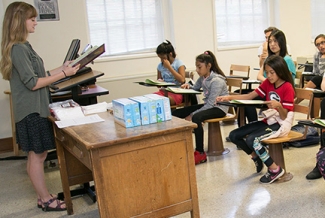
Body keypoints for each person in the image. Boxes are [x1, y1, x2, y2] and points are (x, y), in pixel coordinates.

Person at [0, 2, 80, 212]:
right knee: (38, 155)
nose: (36, 22)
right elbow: (33, 83)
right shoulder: (17, 48)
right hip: (31, 110)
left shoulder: (24, 46)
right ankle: (45, 199)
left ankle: (40, 196)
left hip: (34, 107)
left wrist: (61, 68)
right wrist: (64, 75)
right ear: (19, 21)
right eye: (32, 18)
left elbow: (38, 74)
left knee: (37, 154)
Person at [217, 55, 295, 183]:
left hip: (280, 124)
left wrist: (279, 106)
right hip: (268, 121)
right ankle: (255, 156)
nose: (268, 76)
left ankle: (275, 169)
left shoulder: (287, 87)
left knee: (253, 140)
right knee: (234, 135)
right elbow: (249, 96)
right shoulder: (268, 83)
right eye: (267, 72)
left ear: (280, 70)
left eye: (272, 72)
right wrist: (228, 97)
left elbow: (284, 116)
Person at [172, 51, 229, 165]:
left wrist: (192, 115)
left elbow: (211, 104)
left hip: (219, 108)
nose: (197, 70)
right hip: (209, 105)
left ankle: (200, 152)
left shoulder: (217, 80)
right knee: (177, 113)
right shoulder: (203, 77)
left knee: (197, 117)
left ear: (208, 66)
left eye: (199, 67)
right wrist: (189, 86)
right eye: (197, 67)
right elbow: (196, 88)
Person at [155, 40, 186, 106]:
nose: (161, 60)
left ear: (170, 54)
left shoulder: (178, 63)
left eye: (163, 58)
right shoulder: (160, 66)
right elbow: (158, 85)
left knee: (163, 101)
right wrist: (159, 82)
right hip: (164, 91)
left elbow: (182, 80)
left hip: (177, 92)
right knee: (151, 99)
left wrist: (169, 67)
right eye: (160, 58)